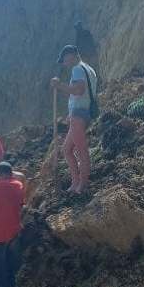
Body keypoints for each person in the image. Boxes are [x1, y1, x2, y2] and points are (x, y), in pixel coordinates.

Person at [51, 45, 98, 195]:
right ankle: (75, 181)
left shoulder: (77, 69)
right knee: (67, 149)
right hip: (80, 113)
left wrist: (59, 86)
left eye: (64, 60)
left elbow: (79, 90)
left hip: (79, 114)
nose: (64, 63)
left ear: (71, 55)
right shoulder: (88, 69)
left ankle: (82, 185)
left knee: (81, 150)